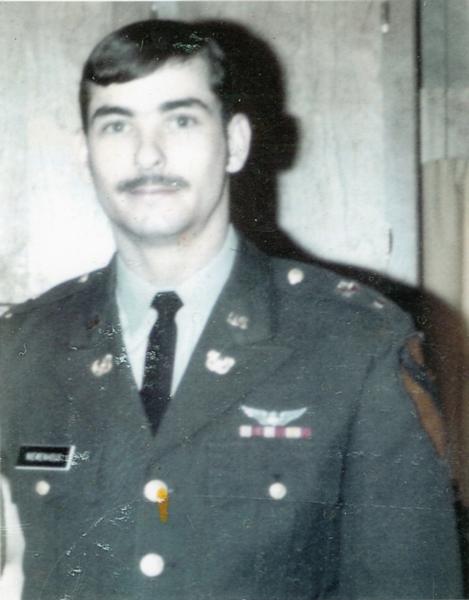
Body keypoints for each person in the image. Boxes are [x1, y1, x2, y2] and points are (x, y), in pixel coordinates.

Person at [0, 18, 462, 600]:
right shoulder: (23, 348)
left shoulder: (355, 343)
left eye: (181, 119)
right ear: (85, 152)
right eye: (116, 124)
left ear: (235, 142)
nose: (147, 152)